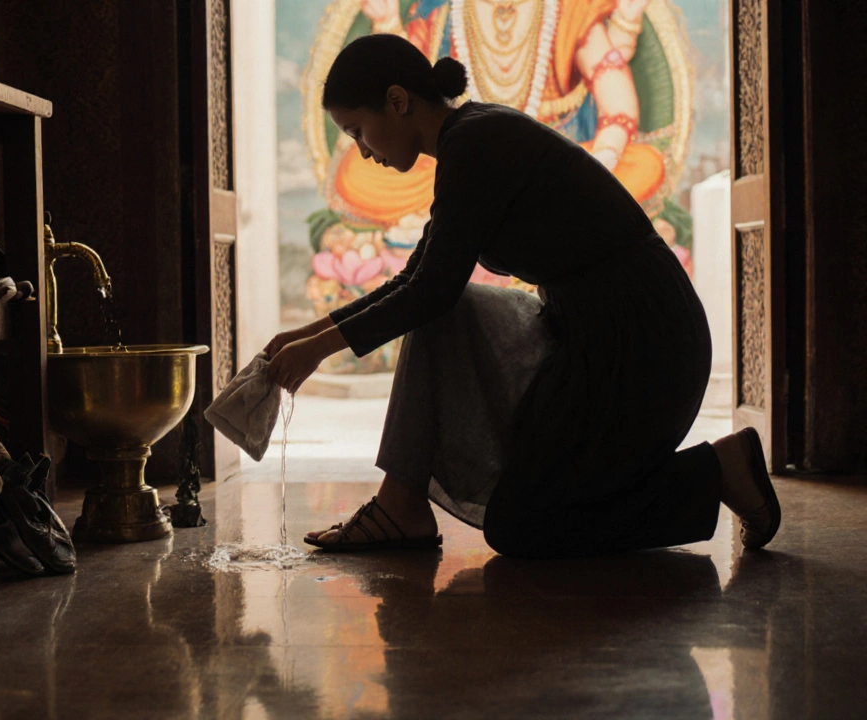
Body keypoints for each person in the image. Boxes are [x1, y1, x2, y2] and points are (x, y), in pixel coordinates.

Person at [264, 34, 780, 559]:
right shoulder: (469, 139)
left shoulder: (476, 142)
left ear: (397, 101)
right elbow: (415, 280)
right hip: (593, 331)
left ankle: (717, 472)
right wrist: (305, 336)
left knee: (523, 524)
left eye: (357, 131)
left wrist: (318, 348)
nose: (361, 151)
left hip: (643, 341)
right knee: (442, 322)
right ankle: (402, 504)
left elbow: (430, 290)